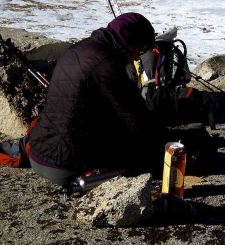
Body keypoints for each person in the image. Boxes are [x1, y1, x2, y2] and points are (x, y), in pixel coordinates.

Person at [28, 12, 164, 186]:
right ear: (130, 43)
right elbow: (132, 118)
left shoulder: (81, 48)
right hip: (64, 164)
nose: (138, 56)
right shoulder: (106, 64)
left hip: (39, 150)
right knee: (144, 154)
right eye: (141, 48)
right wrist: (163, 144)